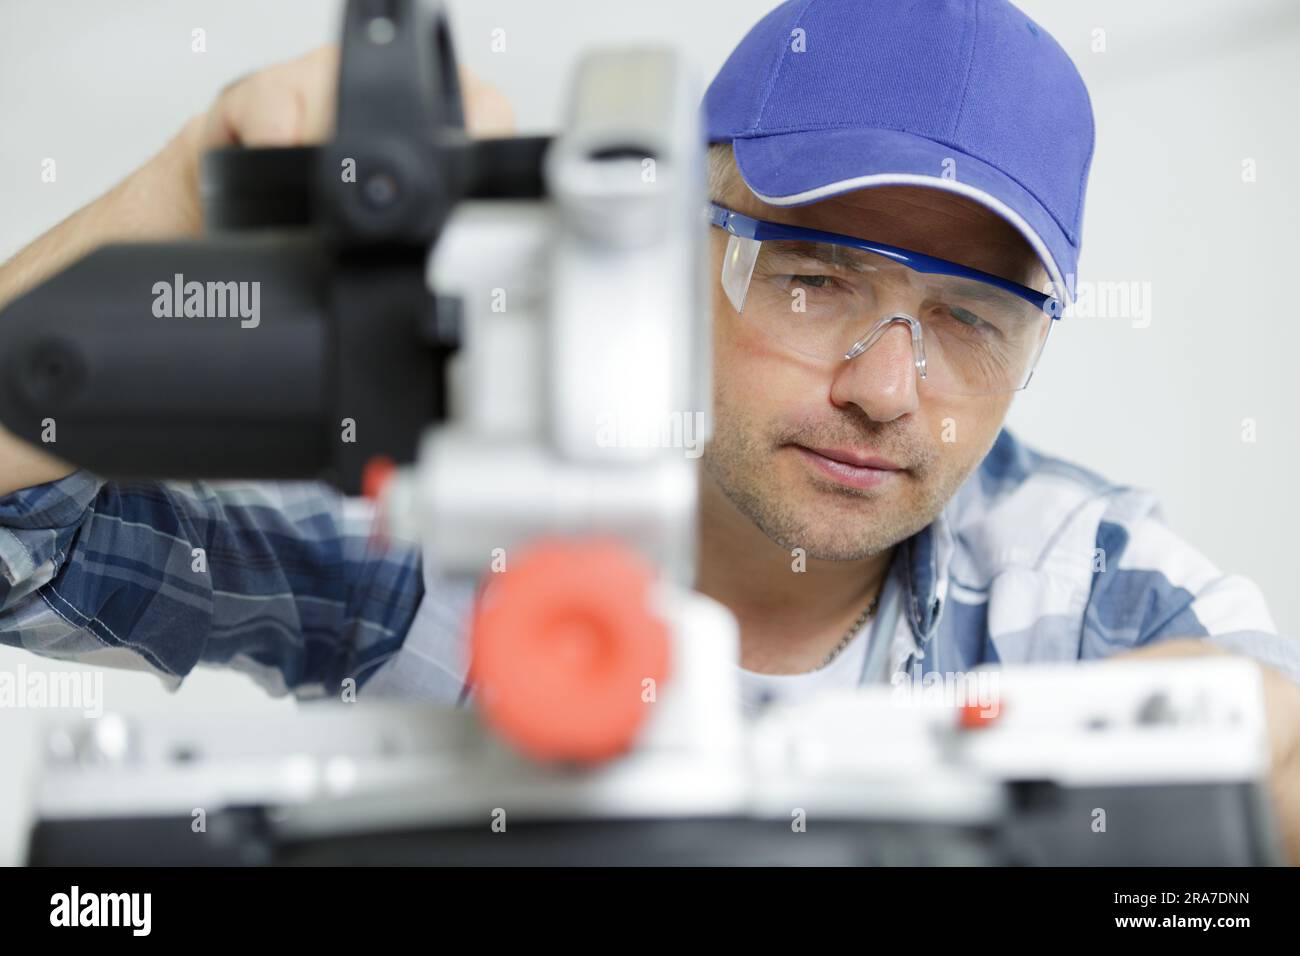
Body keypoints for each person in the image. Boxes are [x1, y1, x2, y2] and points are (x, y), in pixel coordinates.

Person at [1, 0, 1297, 860]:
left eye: (972, 317)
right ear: (672, 246)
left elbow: (1276, 749)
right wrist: (172, 194)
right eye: (815, 278)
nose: (887, 389)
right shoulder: (443, 511)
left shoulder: (1083, 585)